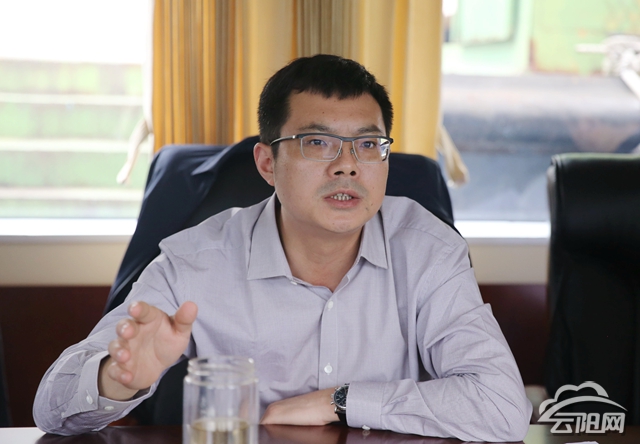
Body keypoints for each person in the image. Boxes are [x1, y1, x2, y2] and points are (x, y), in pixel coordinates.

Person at [33, 54, 531, 440]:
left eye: (367, 144)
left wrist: (340, 401)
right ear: (267, 164)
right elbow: (50, 408)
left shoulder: (428, 250)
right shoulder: (195, 261)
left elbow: (504, 406)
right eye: (318, 142)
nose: (347, 165)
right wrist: (118, 379)